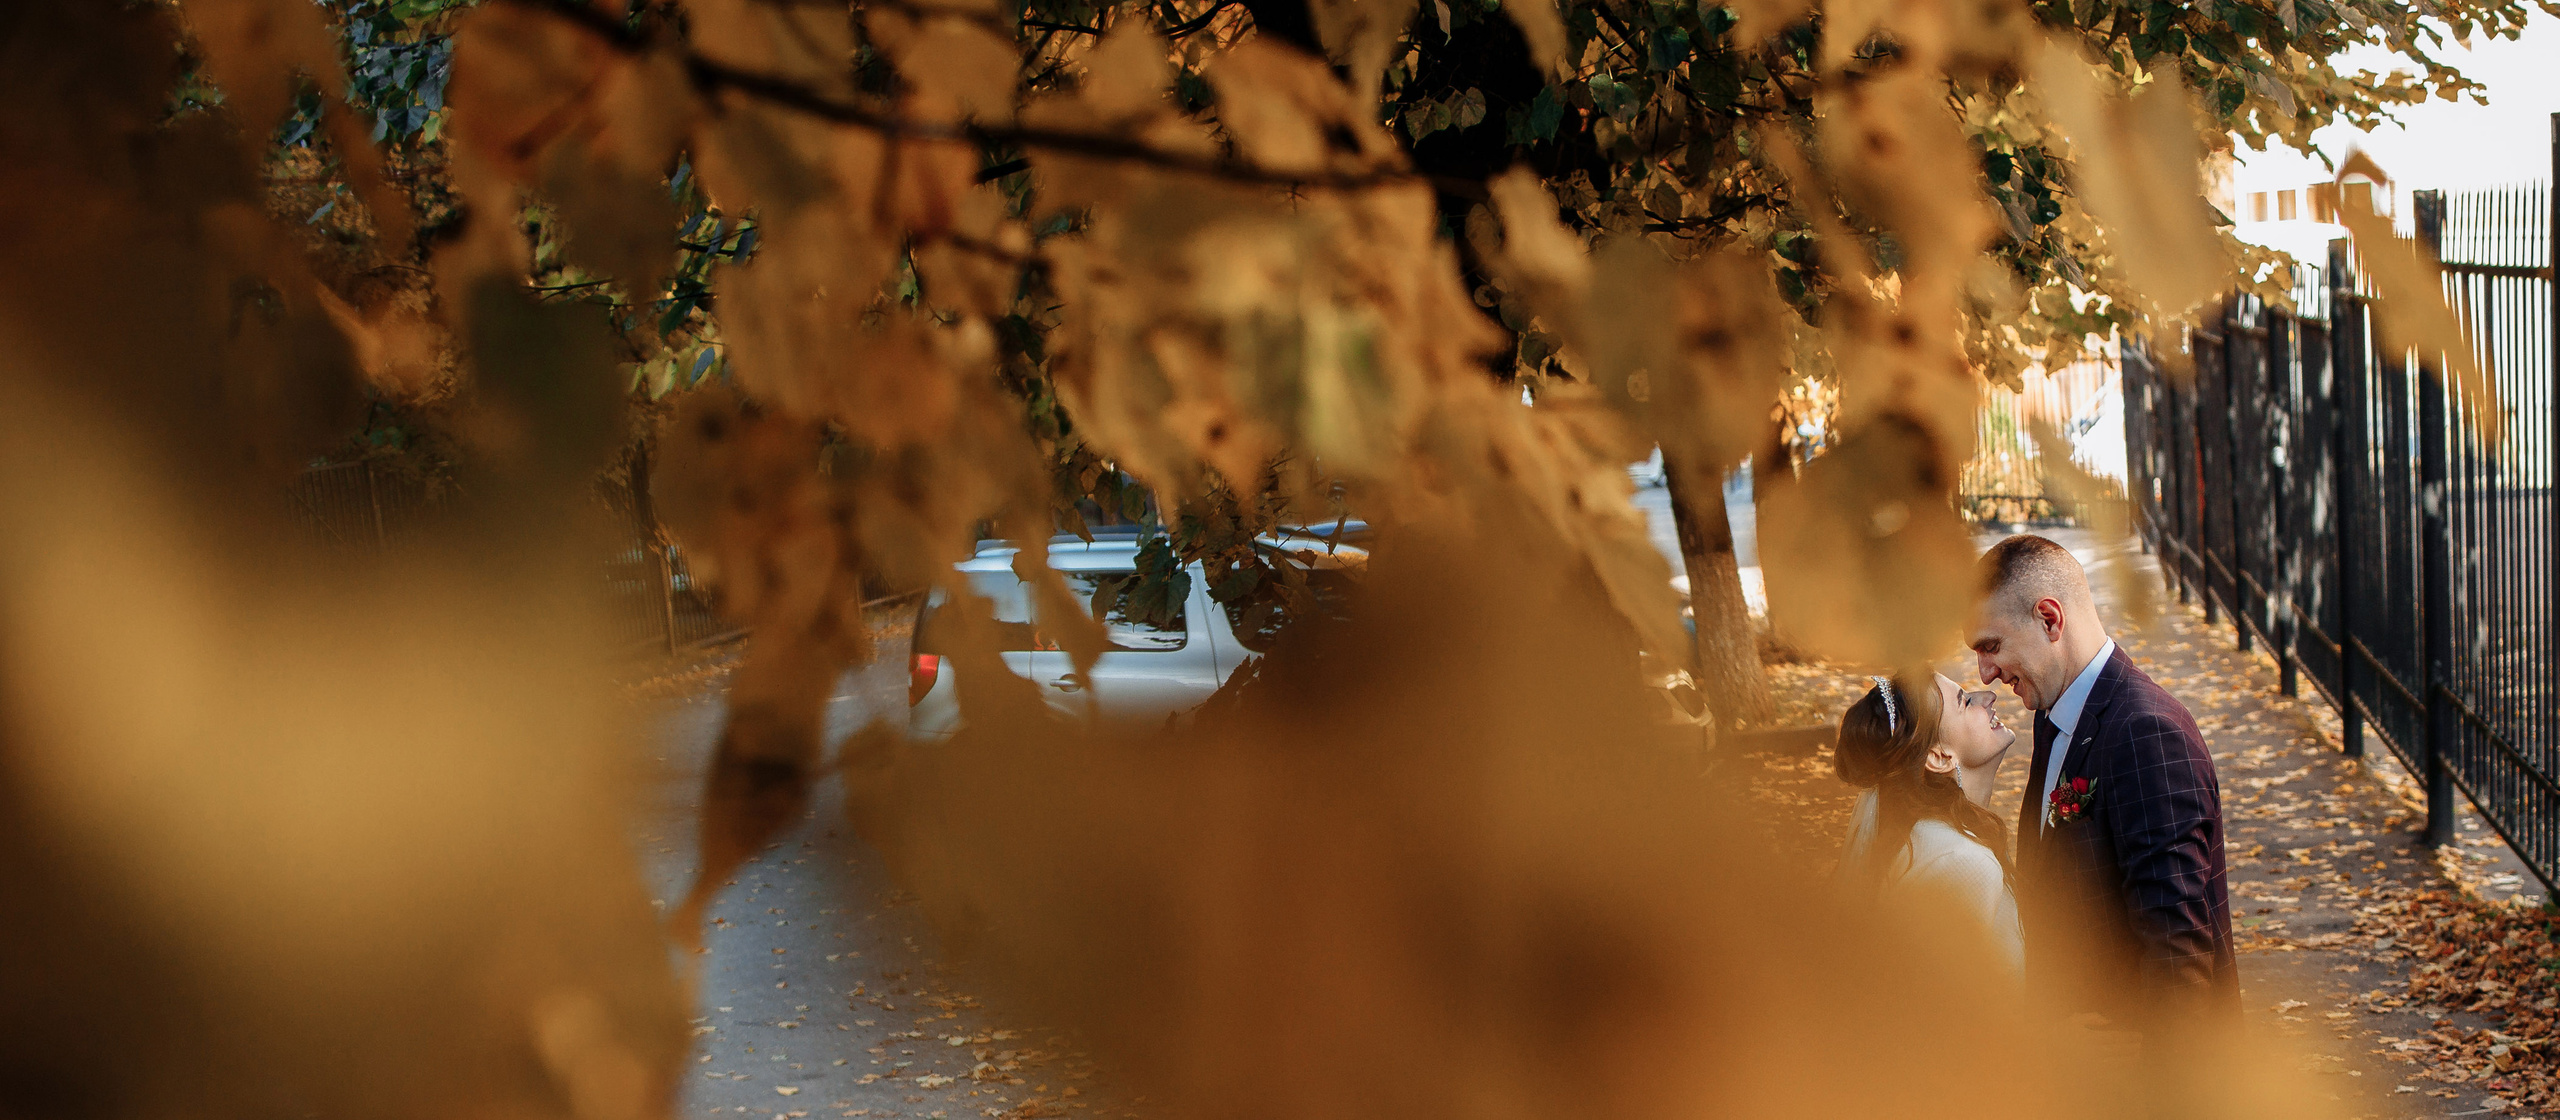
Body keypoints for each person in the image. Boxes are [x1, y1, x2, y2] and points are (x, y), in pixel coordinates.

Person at [1967, 534, 2238, 1030]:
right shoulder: (2052, 715)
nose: (1985, 673)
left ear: (2049, 620)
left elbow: (2177, 954)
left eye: (1991, 646)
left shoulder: (2147, 733)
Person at [1833, 671, 2023, 975]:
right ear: (1939, 757)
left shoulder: (1928, 837)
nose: (1988, 697)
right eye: (1965, 702)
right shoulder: (1965, 863)